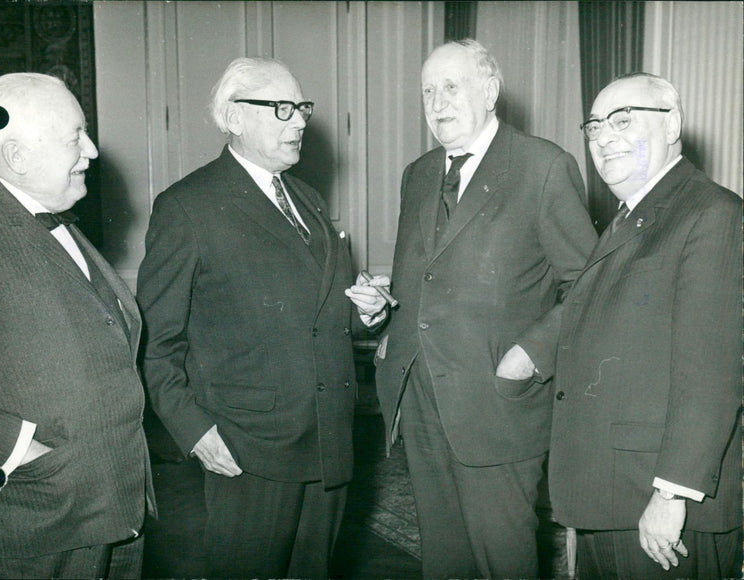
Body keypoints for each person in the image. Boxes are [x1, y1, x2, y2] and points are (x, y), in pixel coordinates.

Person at [136, 57, 387, 579]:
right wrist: (195, 430)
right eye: (281, 108)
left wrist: (369, 312)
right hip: (247, 447)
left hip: (329, 440)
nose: (299, 121)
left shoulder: (309, 199)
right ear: (233, 117)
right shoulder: (187, 207)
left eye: (301, 108)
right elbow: (156, 344)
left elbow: (324, 312)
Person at [372, 38, 598, 578]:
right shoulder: (419, 173)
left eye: (451, 87)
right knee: (445, 559)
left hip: (499, 404)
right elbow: (431, 275)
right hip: (422, 397)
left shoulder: (543, 166)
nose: (437, 102)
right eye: (427, 90)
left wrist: (530, 353)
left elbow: (590, 287)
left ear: (490, 91)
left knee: (503, 560)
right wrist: (389, 313)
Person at [0, 73, 155, 579]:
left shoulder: (55, 218)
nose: (93, 151)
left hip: (117, 508)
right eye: (75, 137)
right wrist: (22, 450)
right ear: (17, 157)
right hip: (41, 520)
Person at [548, 72, 742, 579]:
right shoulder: (630, 216)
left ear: (673, 123)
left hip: (661, 509)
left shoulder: (713, 213)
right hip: (611, 494)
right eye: (593, 126)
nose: (603, 137)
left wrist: (671, 493)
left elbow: (712, 371)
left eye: (623, 120)